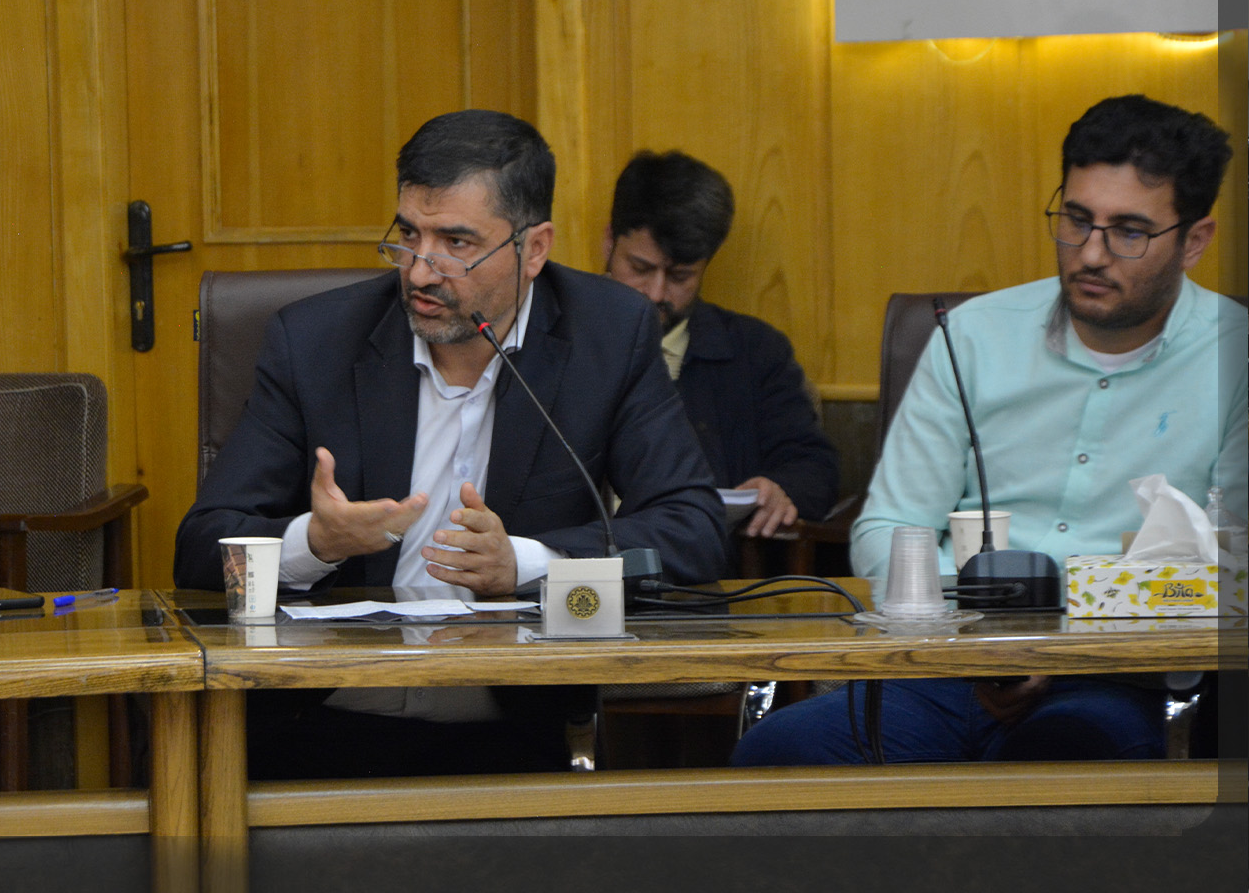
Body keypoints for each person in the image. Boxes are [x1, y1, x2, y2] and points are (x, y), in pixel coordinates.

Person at [175, 109, 726, 778]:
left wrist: (525, 563)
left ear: (535, 249)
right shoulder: (315, 342)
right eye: (409, 235)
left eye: (456, 243)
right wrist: (314, 544)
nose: (419, 273)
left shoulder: (608, 336)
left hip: (513, 728)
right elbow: (200, 548)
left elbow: (693, 530)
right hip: (321, 719)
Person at [734, 95, 1245, 766]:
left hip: (1120, 676)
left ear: (1195, 241)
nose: (1091, 254)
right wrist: (982, 643)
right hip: (948, 666)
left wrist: (1060, 648)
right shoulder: (972, 337)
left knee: (1064, 757)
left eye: (1129, 232)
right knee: (780, 753)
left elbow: (1233, 561)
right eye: (1076, 220)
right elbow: (891, 526)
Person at [603, 150, 840, 562]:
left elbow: (813, 467)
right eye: (640, 268)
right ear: (609, 242)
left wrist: (778, 488)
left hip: (708, 576)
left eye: (680, 276)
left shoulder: (755, 351)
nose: (656, 293)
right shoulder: (551, 338)